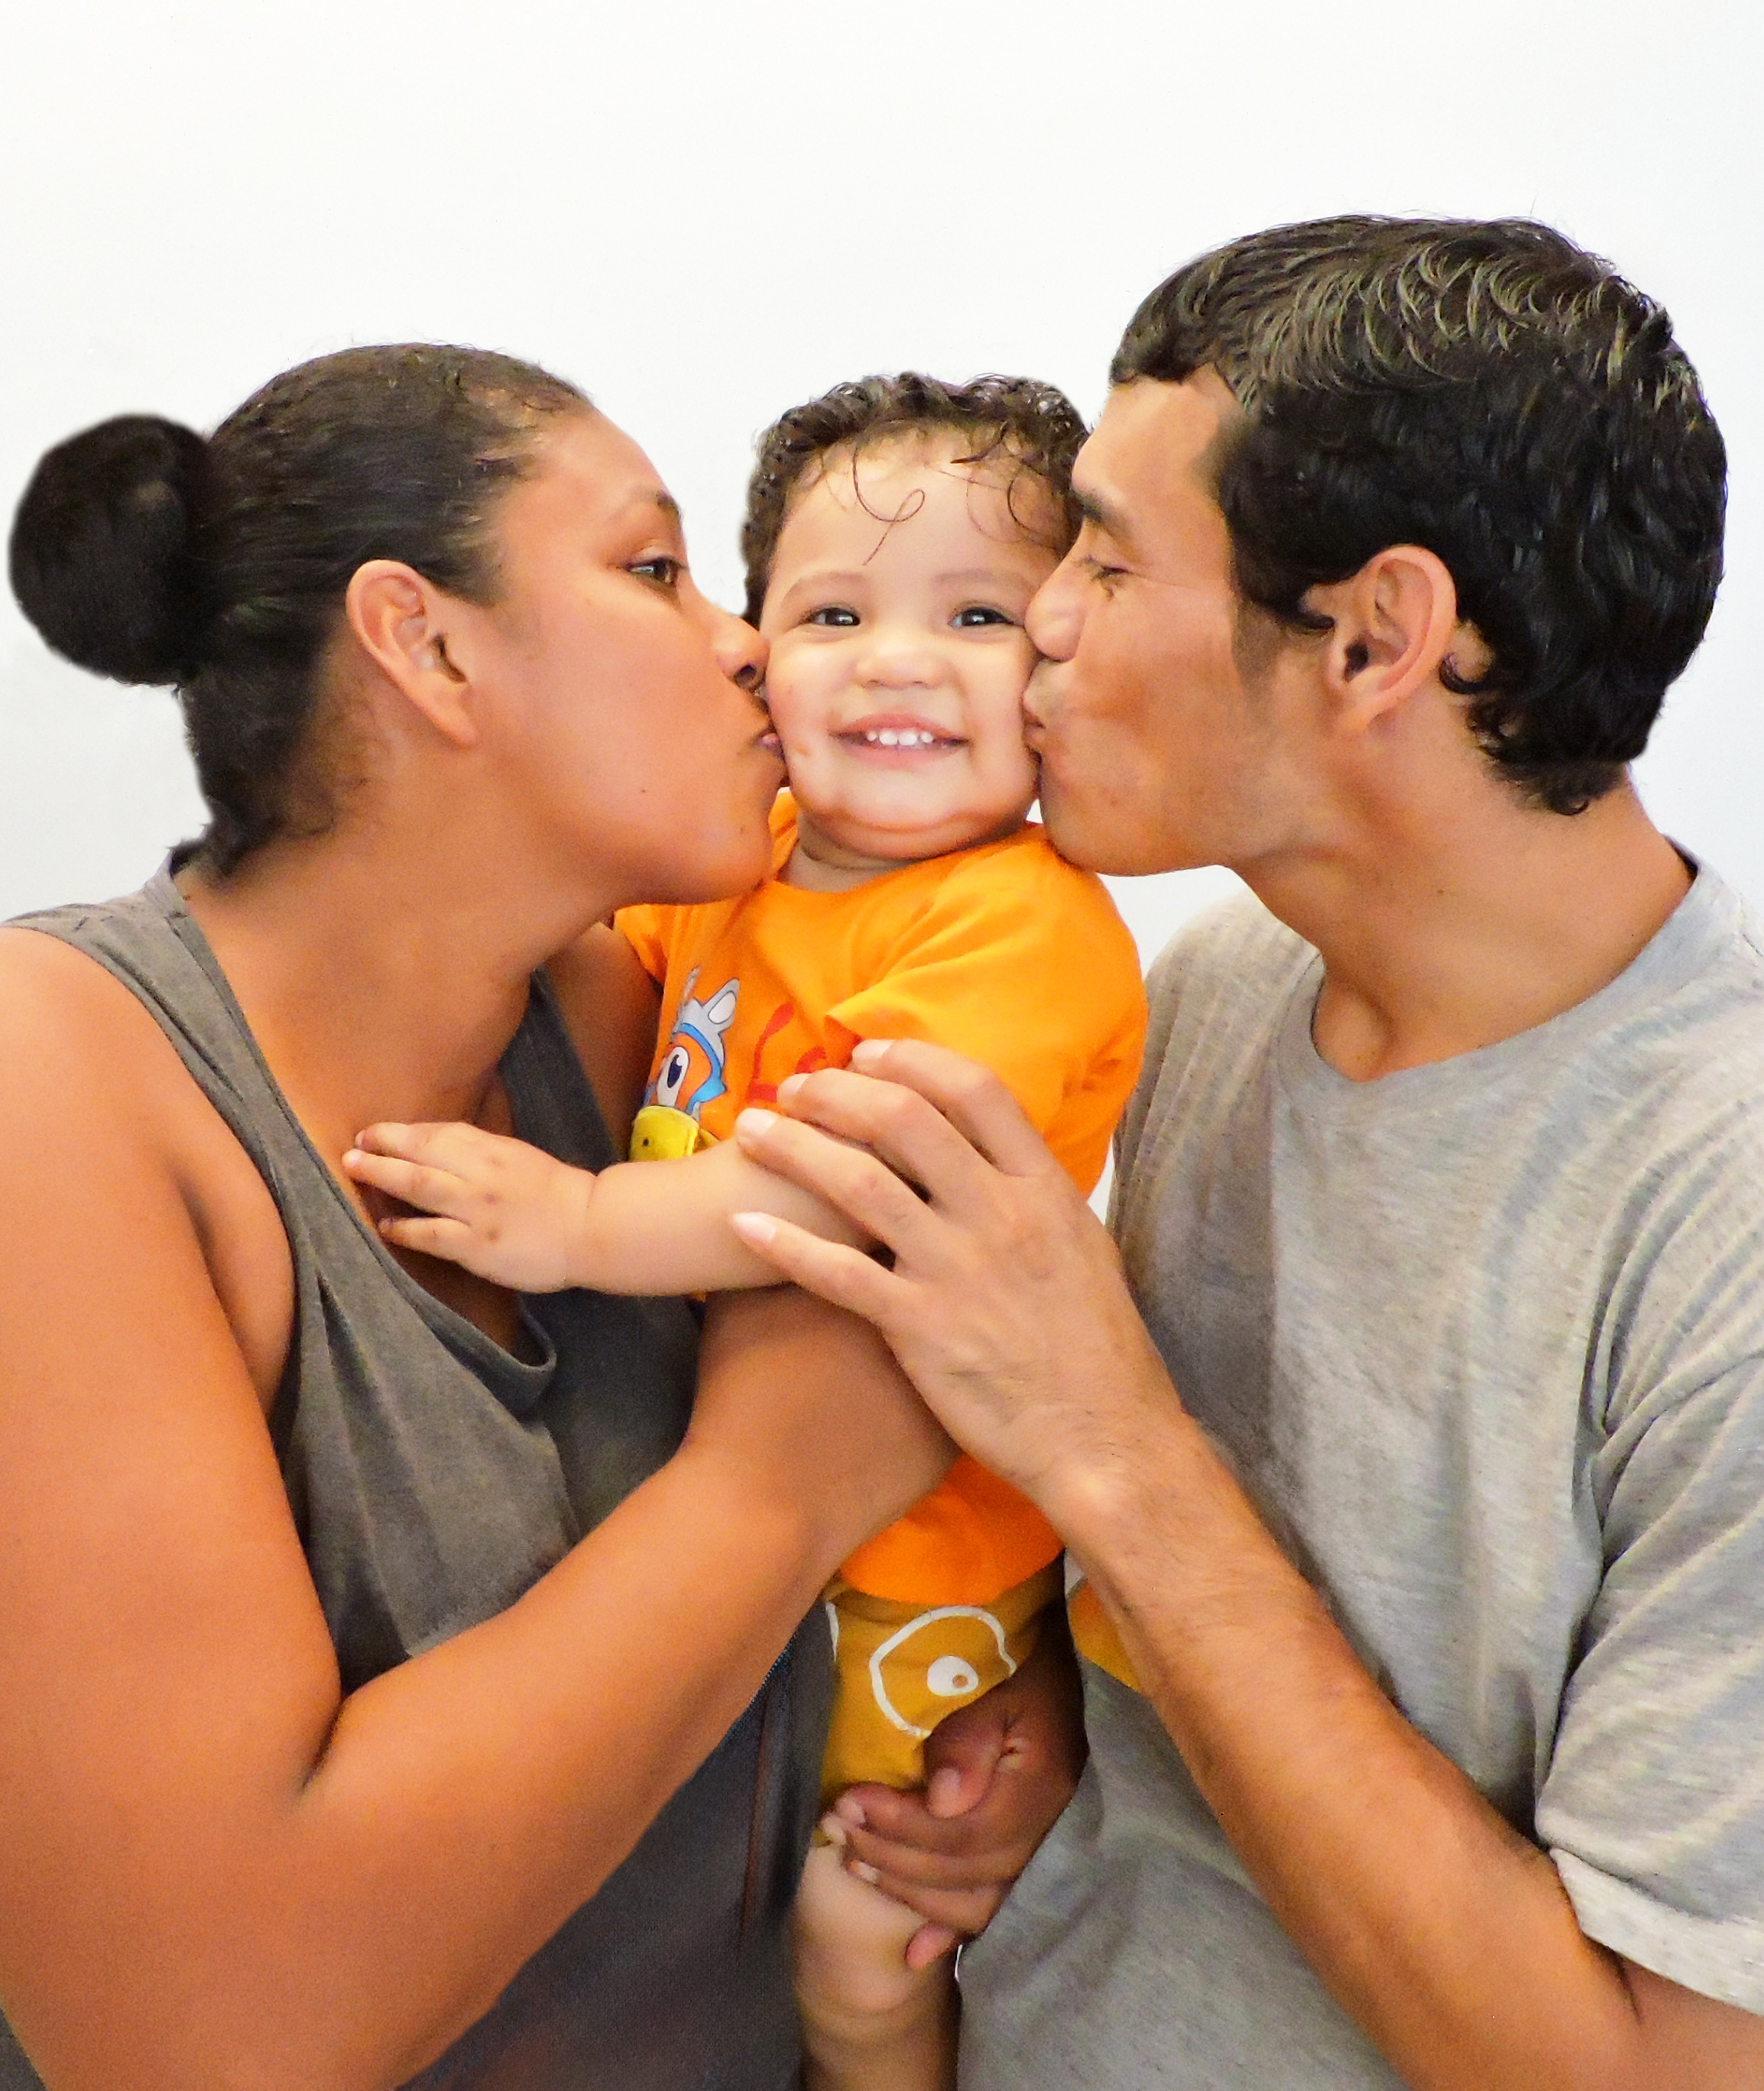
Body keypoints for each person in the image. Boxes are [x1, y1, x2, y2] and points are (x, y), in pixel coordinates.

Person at [721, 219, 1764, 2091]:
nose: (1037, 617)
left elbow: (1634, 2078)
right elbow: (1192, 1653)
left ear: (1373, 638)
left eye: (1106, 559)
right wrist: (1036, 1712)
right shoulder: (1219, 991)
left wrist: (1110, 1445)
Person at [0, 344, 1079, 2091]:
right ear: (426, 646)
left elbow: (880, 1580)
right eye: (655, 571)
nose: (751, 640)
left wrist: (992, 1725)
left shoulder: (640, 1035)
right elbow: (213, 2037)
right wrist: (780, 1478)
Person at [342, 373, 1143, 2090]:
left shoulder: (1020, 924)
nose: (897, 660)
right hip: (759, 1541)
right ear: (758, 651)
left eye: (979, 616)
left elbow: (835, 1180)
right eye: (834, 612)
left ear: (1063, 665)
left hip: (922, 1559)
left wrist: (573, 1220)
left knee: (862, 1915)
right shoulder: (740, 861)